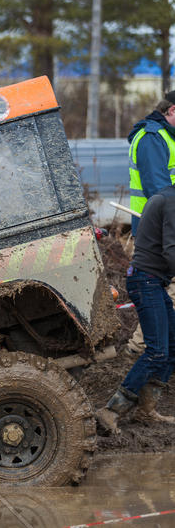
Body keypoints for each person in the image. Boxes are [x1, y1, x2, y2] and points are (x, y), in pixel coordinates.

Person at [96, 184, 175, 435]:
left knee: (171, 347)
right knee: (157, 352)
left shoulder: (167, 198)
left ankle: (145, 411)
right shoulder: (170, 201)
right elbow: (171, 250)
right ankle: (110, 411)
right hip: (146, 280)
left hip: (153, 280)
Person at [128, 90, 175, 234]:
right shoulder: (152, 138)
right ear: (173, 110)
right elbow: (158, 188)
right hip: (155, 224)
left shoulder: (168, 136)